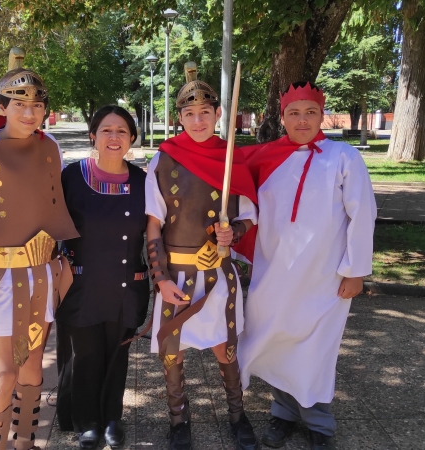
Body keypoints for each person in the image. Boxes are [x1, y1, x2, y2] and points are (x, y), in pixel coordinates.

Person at [235, 82, 377, 450]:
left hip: (325, 276)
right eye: (294, 113)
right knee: (277, 339)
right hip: (275, 272)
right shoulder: (263, 156)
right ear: (282, 117)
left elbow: (362, 214)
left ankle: (319, 423)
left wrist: (356, 270)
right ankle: (283, 412)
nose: (302, 120)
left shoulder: (343, 156)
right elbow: (233, 188)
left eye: (310, 113)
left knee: (317, 347)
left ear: (321, 115)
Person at [0, 67, 79, 450]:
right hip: (4, 279)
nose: (29, 113)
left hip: (44, 274)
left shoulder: (51, 145)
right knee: (4, 371)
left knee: (33, 370)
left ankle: (25, 444)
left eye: (37, 105)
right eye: (19, 105)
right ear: (3, 107)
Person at [145, 62, 259, 450]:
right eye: (189, 114)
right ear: (179, 117)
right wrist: (160, 279)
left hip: (217, 273)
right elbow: (153, 228)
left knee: (224, 347)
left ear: (218, 114)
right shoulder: (161, 161)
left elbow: (248, 213)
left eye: (205, 113)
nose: (197, 121)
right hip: (174, 275)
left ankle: (237, 415)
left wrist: (235, 232)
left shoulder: (231, 158)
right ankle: (179, 421)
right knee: (171, 352)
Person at [56, 105, 150, 449]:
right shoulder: (71, 177)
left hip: (128, 285)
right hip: (81, 285)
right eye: (106, 130)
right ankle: (87, 421)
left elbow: (156, 232)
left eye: (122, 131)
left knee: (116, 355)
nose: (114, 137)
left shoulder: (144, 181)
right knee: (86, 356)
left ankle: (112, 417)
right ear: (92, 135)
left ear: (132, 139)